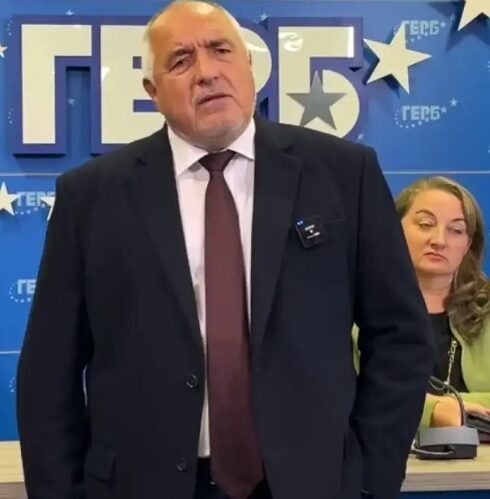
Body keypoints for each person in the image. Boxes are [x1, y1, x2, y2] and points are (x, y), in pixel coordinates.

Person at [16, 2, 433, 499]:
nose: (207, 72)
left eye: (220, 50)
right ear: (152, 91)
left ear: (249, 65)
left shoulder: (343, 173)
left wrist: (370, 479)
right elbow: (49, 370)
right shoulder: (91, 196)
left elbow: (401, 336)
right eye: (180, 60)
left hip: (311, 483)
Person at [396, 176, 490, 428]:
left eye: (456, 230)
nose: (439, 240)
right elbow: (346, 396)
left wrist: (446, 405)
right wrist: (433, 411)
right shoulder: (353, 309)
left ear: (468, 245)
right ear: (394, 230)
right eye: (425, 224)